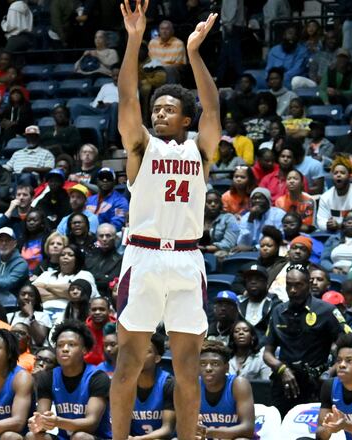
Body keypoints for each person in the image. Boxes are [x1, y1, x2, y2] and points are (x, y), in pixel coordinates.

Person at [109, 5, 221, 440]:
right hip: (144, 257)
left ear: (186, 120)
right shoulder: (141, 148)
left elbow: (212, 107)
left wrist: (193, 52)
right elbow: (127, 99)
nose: (159, 114)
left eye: (169, 109)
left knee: (188, 369)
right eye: (157, 109)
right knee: (129, 363)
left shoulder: (201, 151)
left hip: (188, 261)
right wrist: (134, 39)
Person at [263, 265, 350, 416]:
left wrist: (330, 372)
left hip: (316, 383)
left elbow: (348, 345)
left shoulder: (326, 310)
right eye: (289, 285)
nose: (293, 290)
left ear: (309, 284)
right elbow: (267, 353)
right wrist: (281, 369)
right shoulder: (278, 311)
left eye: (298, 285)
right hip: (285, 381)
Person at [28, 320, 112, 440]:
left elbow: (91, 424)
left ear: (84, 350)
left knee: (80, 437)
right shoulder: (48, 377)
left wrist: (57, 422)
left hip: (95, 437)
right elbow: (42, 418)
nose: (65, 349)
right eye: (60, 345)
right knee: (32, 436)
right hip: (65, 437)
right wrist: (38, 423)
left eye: (71, 345)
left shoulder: (97, 377)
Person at [196, 340, 255, 440]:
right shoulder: (194, 386)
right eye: (202, 364)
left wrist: (209, 432)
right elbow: (180, 426)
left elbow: (248, 429)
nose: (208, 368)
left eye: (215, 363)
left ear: (226, 367)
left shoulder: (238, 384)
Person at [128, 329, 176, 438]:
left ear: (157, 358)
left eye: (147, 351)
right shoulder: (125, 384)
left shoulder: (169, 383)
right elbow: (120, 425)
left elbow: (167, 429)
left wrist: (141, 439)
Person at [33, 244, 97, 322]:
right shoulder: (47, 274)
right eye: (62, 255)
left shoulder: (84, 274)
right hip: (42, 312)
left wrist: (46, 286)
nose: (65, 257)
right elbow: (33, 293)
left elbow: (81, 294)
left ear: (77, 258)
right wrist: (65, 295)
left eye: (70, 255)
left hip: (70, 314)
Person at [316, 157, 352, 232]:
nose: (338, 175)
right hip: (331, 233)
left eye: (342, 173)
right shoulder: (325, 197)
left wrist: (340, 226)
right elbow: (321, 221)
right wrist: (328, 225)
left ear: (350, 177)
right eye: (335, 173)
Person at [322, 208, 352, 274]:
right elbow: (324, 260)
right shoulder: (334, 238)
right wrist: (332, 269)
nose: (349, 222)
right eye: (346, 220)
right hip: (334, 273)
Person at [85, 223, 123, 296]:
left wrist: (92, 277)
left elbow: (111, 281)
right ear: (97, 238)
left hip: (107, 297)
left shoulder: (120, 260)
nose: (104, 239)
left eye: (108, 236)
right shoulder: (89, 257)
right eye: (101, 236)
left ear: (115, 238)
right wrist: (103, 277)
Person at [84, 297, 117, 366]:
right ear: (89, 312)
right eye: (94, 310)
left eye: (102, 309)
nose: (97, 312)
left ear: (109, 311)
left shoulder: (118, 329)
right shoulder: (83, 330)